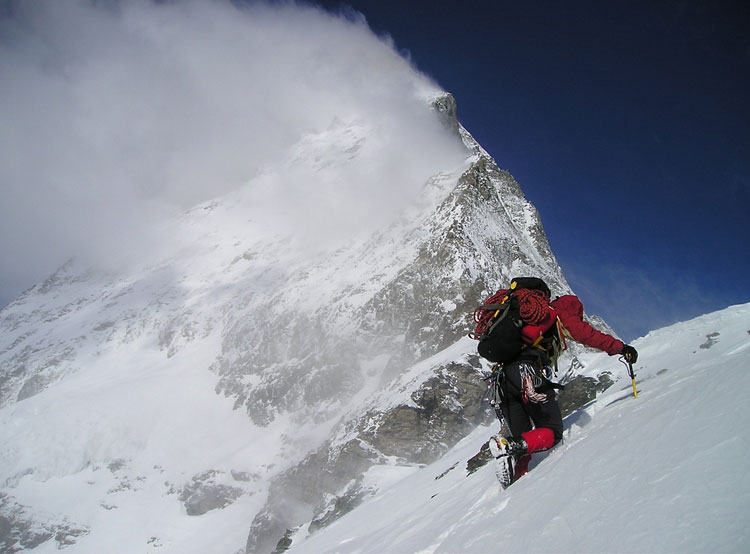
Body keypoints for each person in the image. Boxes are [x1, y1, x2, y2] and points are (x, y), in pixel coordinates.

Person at [487, 284, 638, 488]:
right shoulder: (559, 312)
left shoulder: (522, 319)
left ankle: (517, 482)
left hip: (502, 382)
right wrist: (622, 348)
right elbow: (587, 335)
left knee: (523, 437)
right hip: (526, 374)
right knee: (552, 430)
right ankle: (508, 446)